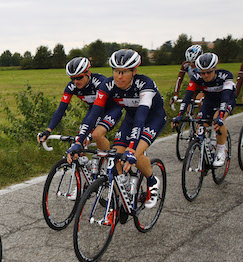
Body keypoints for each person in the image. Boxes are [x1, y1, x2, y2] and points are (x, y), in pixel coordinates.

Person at [68, 49, 166, 209]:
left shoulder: (145, 84)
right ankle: (124, 189)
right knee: (114, 158)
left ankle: (152, 181)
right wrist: (79, 141)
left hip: (152, 118)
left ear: (134, 71)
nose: (119, 76)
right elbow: (94, 114)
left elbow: (141, 117)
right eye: (115, 71)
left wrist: (132, 148)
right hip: (131, 119)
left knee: (136, 152)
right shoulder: (107, 85)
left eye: (123, 72)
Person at [38, 57, 115, 153]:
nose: (76, 81)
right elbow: (61, 110)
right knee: (79, 139)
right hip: (94, 110)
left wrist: (89, 134)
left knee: (96, 135)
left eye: (79, 77)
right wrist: (48, 130)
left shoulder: (100, 83)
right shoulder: (72, 87)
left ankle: (109, 164)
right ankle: (80, 166)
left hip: (111, 109)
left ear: (88, 73)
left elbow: (99, 111)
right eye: (73, 78)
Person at [172, 52, 236, 167]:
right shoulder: (196, 78)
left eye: (209, 72)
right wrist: (180, 115)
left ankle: (221, 151)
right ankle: (208, 146)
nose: (206, 75)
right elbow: (187, 97)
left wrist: (221, 117)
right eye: (202, 73)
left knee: (217, 120)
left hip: (226, 99)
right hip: (209, 100)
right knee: (200, 125)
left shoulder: (226, 76)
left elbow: (225, 98)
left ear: (215, 68)